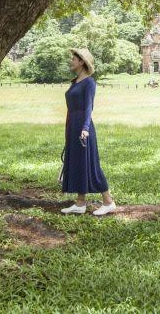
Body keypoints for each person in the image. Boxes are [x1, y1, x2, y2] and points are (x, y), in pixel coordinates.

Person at [60, 48, 117, 216]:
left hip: (83, 128)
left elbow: (88, 107)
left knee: (91, 164)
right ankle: (80, 203)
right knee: (78, 162)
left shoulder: (89, 83)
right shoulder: (75, 81)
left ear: (81, 62)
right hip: (73, 126)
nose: (71, 61)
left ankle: (108, 201)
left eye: (74, 58)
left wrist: (85, 128)